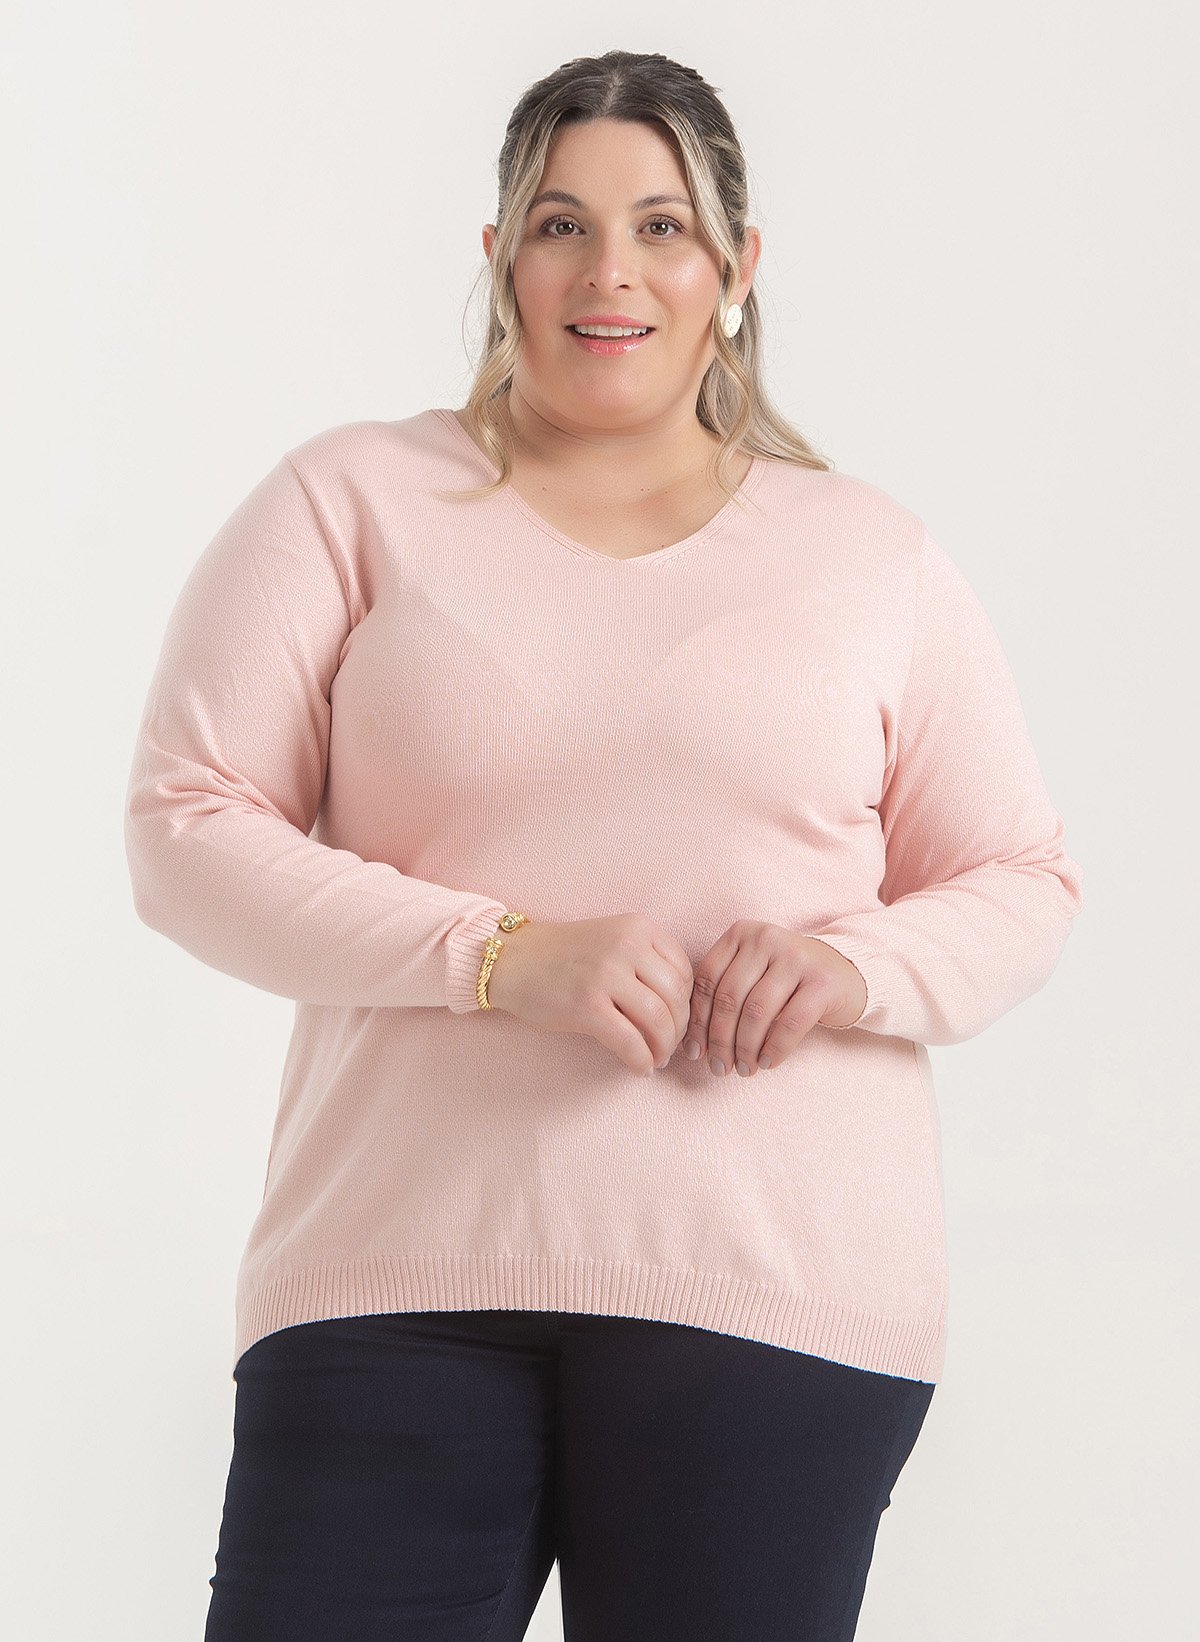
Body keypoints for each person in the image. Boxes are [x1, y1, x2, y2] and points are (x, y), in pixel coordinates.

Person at [124, 47, 1085, 1642]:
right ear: (500, 255)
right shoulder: (353, 499)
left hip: (772, 1288)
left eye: (663, 226)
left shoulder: (869, 556)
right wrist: (497, 954)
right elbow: (187, 827)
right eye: (561, 224)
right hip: (396, 1276)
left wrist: (852, 965)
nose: (609, 272)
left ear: (738, 266)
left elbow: (1021, 878)